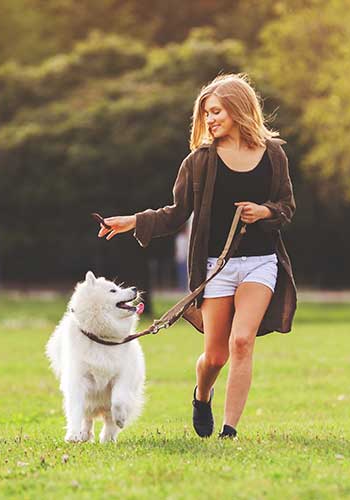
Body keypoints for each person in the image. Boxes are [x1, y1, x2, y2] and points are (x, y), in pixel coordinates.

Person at [97, 73, 297, 439]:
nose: (211, 120)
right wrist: (133, 222)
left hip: (260, 263)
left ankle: (229, 430)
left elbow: (286, 207)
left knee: (242, 342)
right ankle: (202, 394)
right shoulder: (200, 161)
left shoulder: (273, 155)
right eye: (206, 114)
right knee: (215, 356)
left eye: (217, 111)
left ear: (238, 110)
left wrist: (264, 212)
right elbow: (175, 213)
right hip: (215, 270)